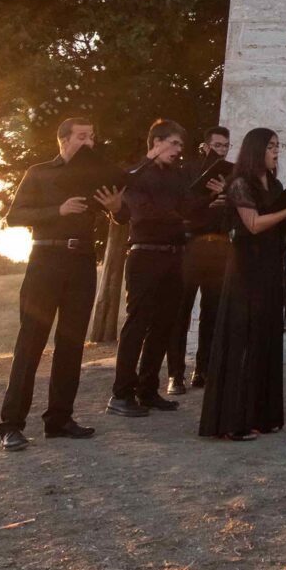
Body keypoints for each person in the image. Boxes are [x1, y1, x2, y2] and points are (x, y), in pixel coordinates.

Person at [0, 117, 122, 451]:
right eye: (83, 136)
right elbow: (14, 216)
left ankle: (59, 420)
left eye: (92, 136)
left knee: (71, 344)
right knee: (31, 342)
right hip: (44, 263)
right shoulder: (39, 172)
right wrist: (58, 210)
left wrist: (116, 208)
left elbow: (121, 215)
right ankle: (11, 425)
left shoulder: (94, 175)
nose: (89, 142)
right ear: (63, 140)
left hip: (81, 265)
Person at [198, 128, 286, 440]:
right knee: (244, 339)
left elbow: (277, 226)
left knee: (265, 339)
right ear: (256, 150)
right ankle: (233, 420)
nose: (276, 151)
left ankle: (261, 415)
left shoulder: (277, 184)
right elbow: (252, 225)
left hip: (270, 267)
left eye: (278, 146)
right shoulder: (242, 183)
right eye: (270, 146)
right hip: (246, 270)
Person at [104, 120, 204, 418]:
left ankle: (147, 390)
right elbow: (143, 214)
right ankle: (121, 395)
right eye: (173, 144)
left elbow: (191, 208)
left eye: (180, 146)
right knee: (137, 325)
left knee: (164, 325)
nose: (178, 151)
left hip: (175, 257)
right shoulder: (135, 174)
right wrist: (181, 219)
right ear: (156, 142)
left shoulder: (177, 175)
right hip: (145, 257)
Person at [165, 125, 231, 396]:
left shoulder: (231, 173)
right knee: (181, 311)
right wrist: (209, 199)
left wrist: (227, 196)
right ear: (205, 146)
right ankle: (175, 374)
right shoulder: (186, 170)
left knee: (212, 311)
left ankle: (202, 369)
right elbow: (181, 207)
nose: (221, 150)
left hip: (219, 245)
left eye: (225, 146)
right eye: (217, 145)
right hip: (190, 244)